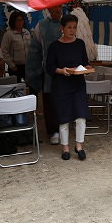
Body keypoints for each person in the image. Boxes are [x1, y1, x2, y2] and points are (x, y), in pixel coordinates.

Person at [46, 14, 90, 161]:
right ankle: (65, 148)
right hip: (61, 85)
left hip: (78, 84)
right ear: (62, 28)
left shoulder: (80, 44)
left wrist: (87, 68)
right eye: (69, 27)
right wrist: (61, 70)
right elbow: (49, 67)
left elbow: (85, 62)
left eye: (74, 27)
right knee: (64, 118)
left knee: (80, 116)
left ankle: (79, 146)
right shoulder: (54, 46)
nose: (72, 30)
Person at [26, 5, 63, 144]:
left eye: (59, 8)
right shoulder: (41, 26)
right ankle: (53, 131)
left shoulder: (68, 23)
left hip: (67, 70)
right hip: (49, 72)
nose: (57, 11)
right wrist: (34, 72)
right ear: (49, 9)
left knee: (64, 101)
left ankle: (63, 129)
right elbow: (34, 51)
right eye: (55, 8)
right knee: (50, 102)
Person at [0, 11, 31, 82]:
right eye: (18, 20)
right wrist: (11, 65)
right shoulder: (8, 34)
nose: (20, 22)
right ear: (13, 21)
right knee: (17, 88)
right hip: (15, 66)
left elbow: (31, 48)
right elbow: (4, 51)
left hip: (27, 65)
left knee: (29, 86)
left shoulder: (26, 32)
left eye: (22, 20)